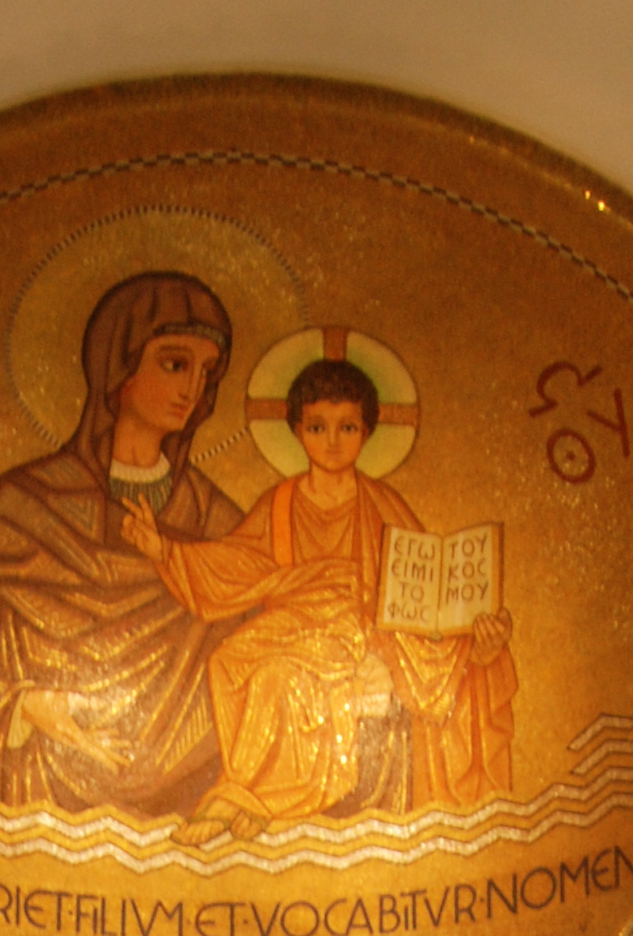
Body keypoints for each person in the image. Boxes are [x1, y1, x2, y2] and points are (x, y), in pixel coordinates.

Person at [0, 273, 245, 817]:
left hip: (187, 821)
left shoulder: (217, 524)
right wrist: (21, 708)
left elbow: (270, 653)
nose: (192, 388)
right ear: (117, 366)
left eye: (206, 371)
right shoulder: (19, 511)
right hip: (33, 799)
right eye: (174, 363)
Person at [122, 352, 513, 825]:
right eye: (317, 427)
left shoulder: (382, 505)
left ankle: (255, 802)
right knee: (229, 660)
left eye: (347, 427)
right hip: (291, 627)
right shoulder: (280, 504)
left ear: (366, 433)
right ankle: (253, 797)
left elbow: (426, 593)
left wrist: (476, 638)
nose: (332, 441)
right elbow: (237, 563)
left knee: (279, 676)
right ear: (297, 430)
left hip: (359, 631)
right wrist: (164, 550)